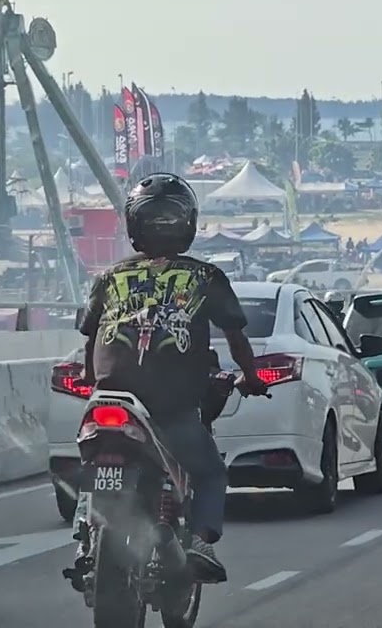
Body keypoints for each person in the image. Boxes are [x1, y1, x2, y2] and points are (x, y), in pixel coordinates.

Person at [79, 172, 266, 583]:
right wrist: (252, 378)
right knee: (210, 471)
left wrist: (94, 388)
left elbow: (90, 336)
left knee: (89, 457)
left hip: (111, 400)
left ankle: (85, 532)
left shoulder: (109, 277)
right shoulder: (205, 277)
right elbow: (236, 338)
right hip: (173, 404)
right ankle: (200, 542)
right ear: (189, 224)